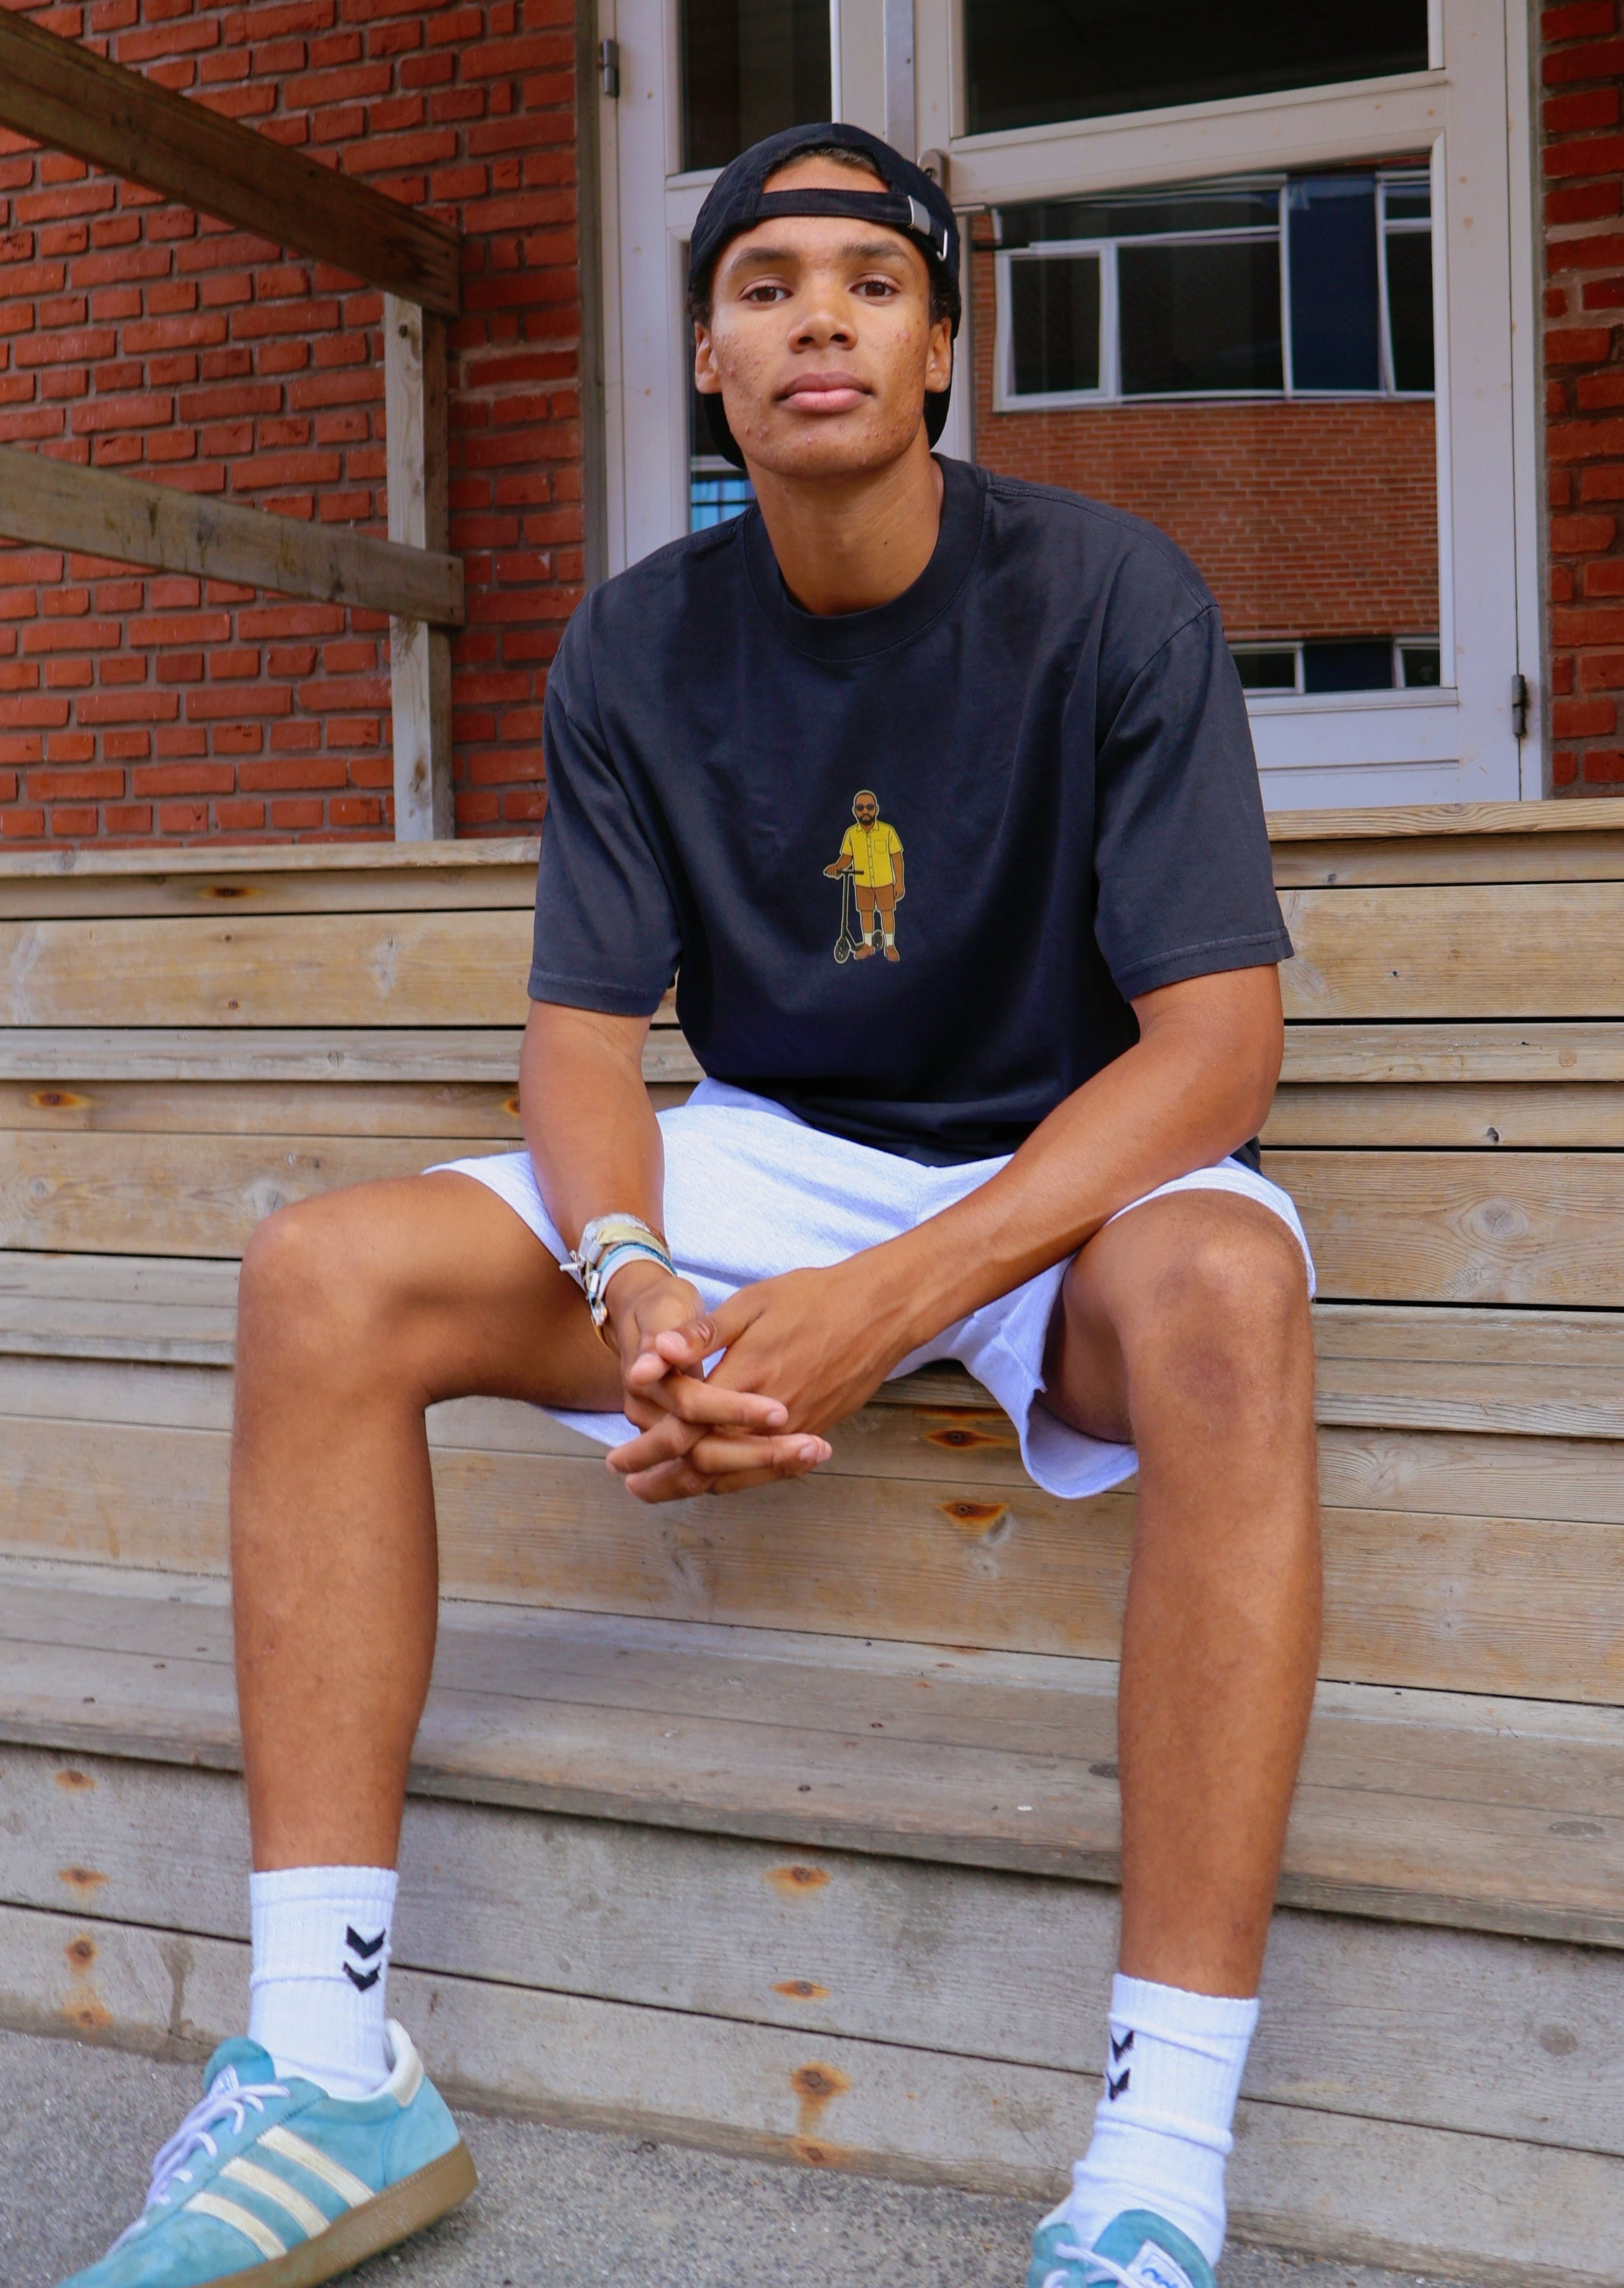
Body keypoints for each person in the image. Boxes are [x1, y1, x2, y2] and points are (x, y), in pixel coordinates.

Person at [57, 120, 1319, 2288]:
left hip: (1071, 1155)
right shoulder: (636, 643)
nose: (818, 318)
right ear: (710, 362)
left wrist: (878, 1302)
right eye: (763, 288)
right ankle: (328, 2065)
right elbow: (578, 1038)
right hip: (773, 1147)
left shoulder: (1110, 594)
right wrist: (639, 1276)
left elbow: (1212, 1044)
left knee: (1224, 1293)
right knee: (321, 1272)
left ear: (939, 348)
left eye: (868, 282)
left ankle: (1151, 2160)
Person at [825, 786, 906, 959]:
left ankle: (890, 946)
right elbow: (846, 857)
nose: (865, 812)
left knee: (887, 913)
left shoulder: (887, 831)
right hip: (862, 883)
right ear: (855, 811)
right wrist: (837, 867)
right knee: (866, 914)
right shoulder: (851, 834)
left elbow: (897, 857)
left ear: (876, 809)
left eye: (869, 807)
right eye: (860, 808)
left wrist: (899, 882)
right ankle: (868, 945)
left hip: (884, 882)